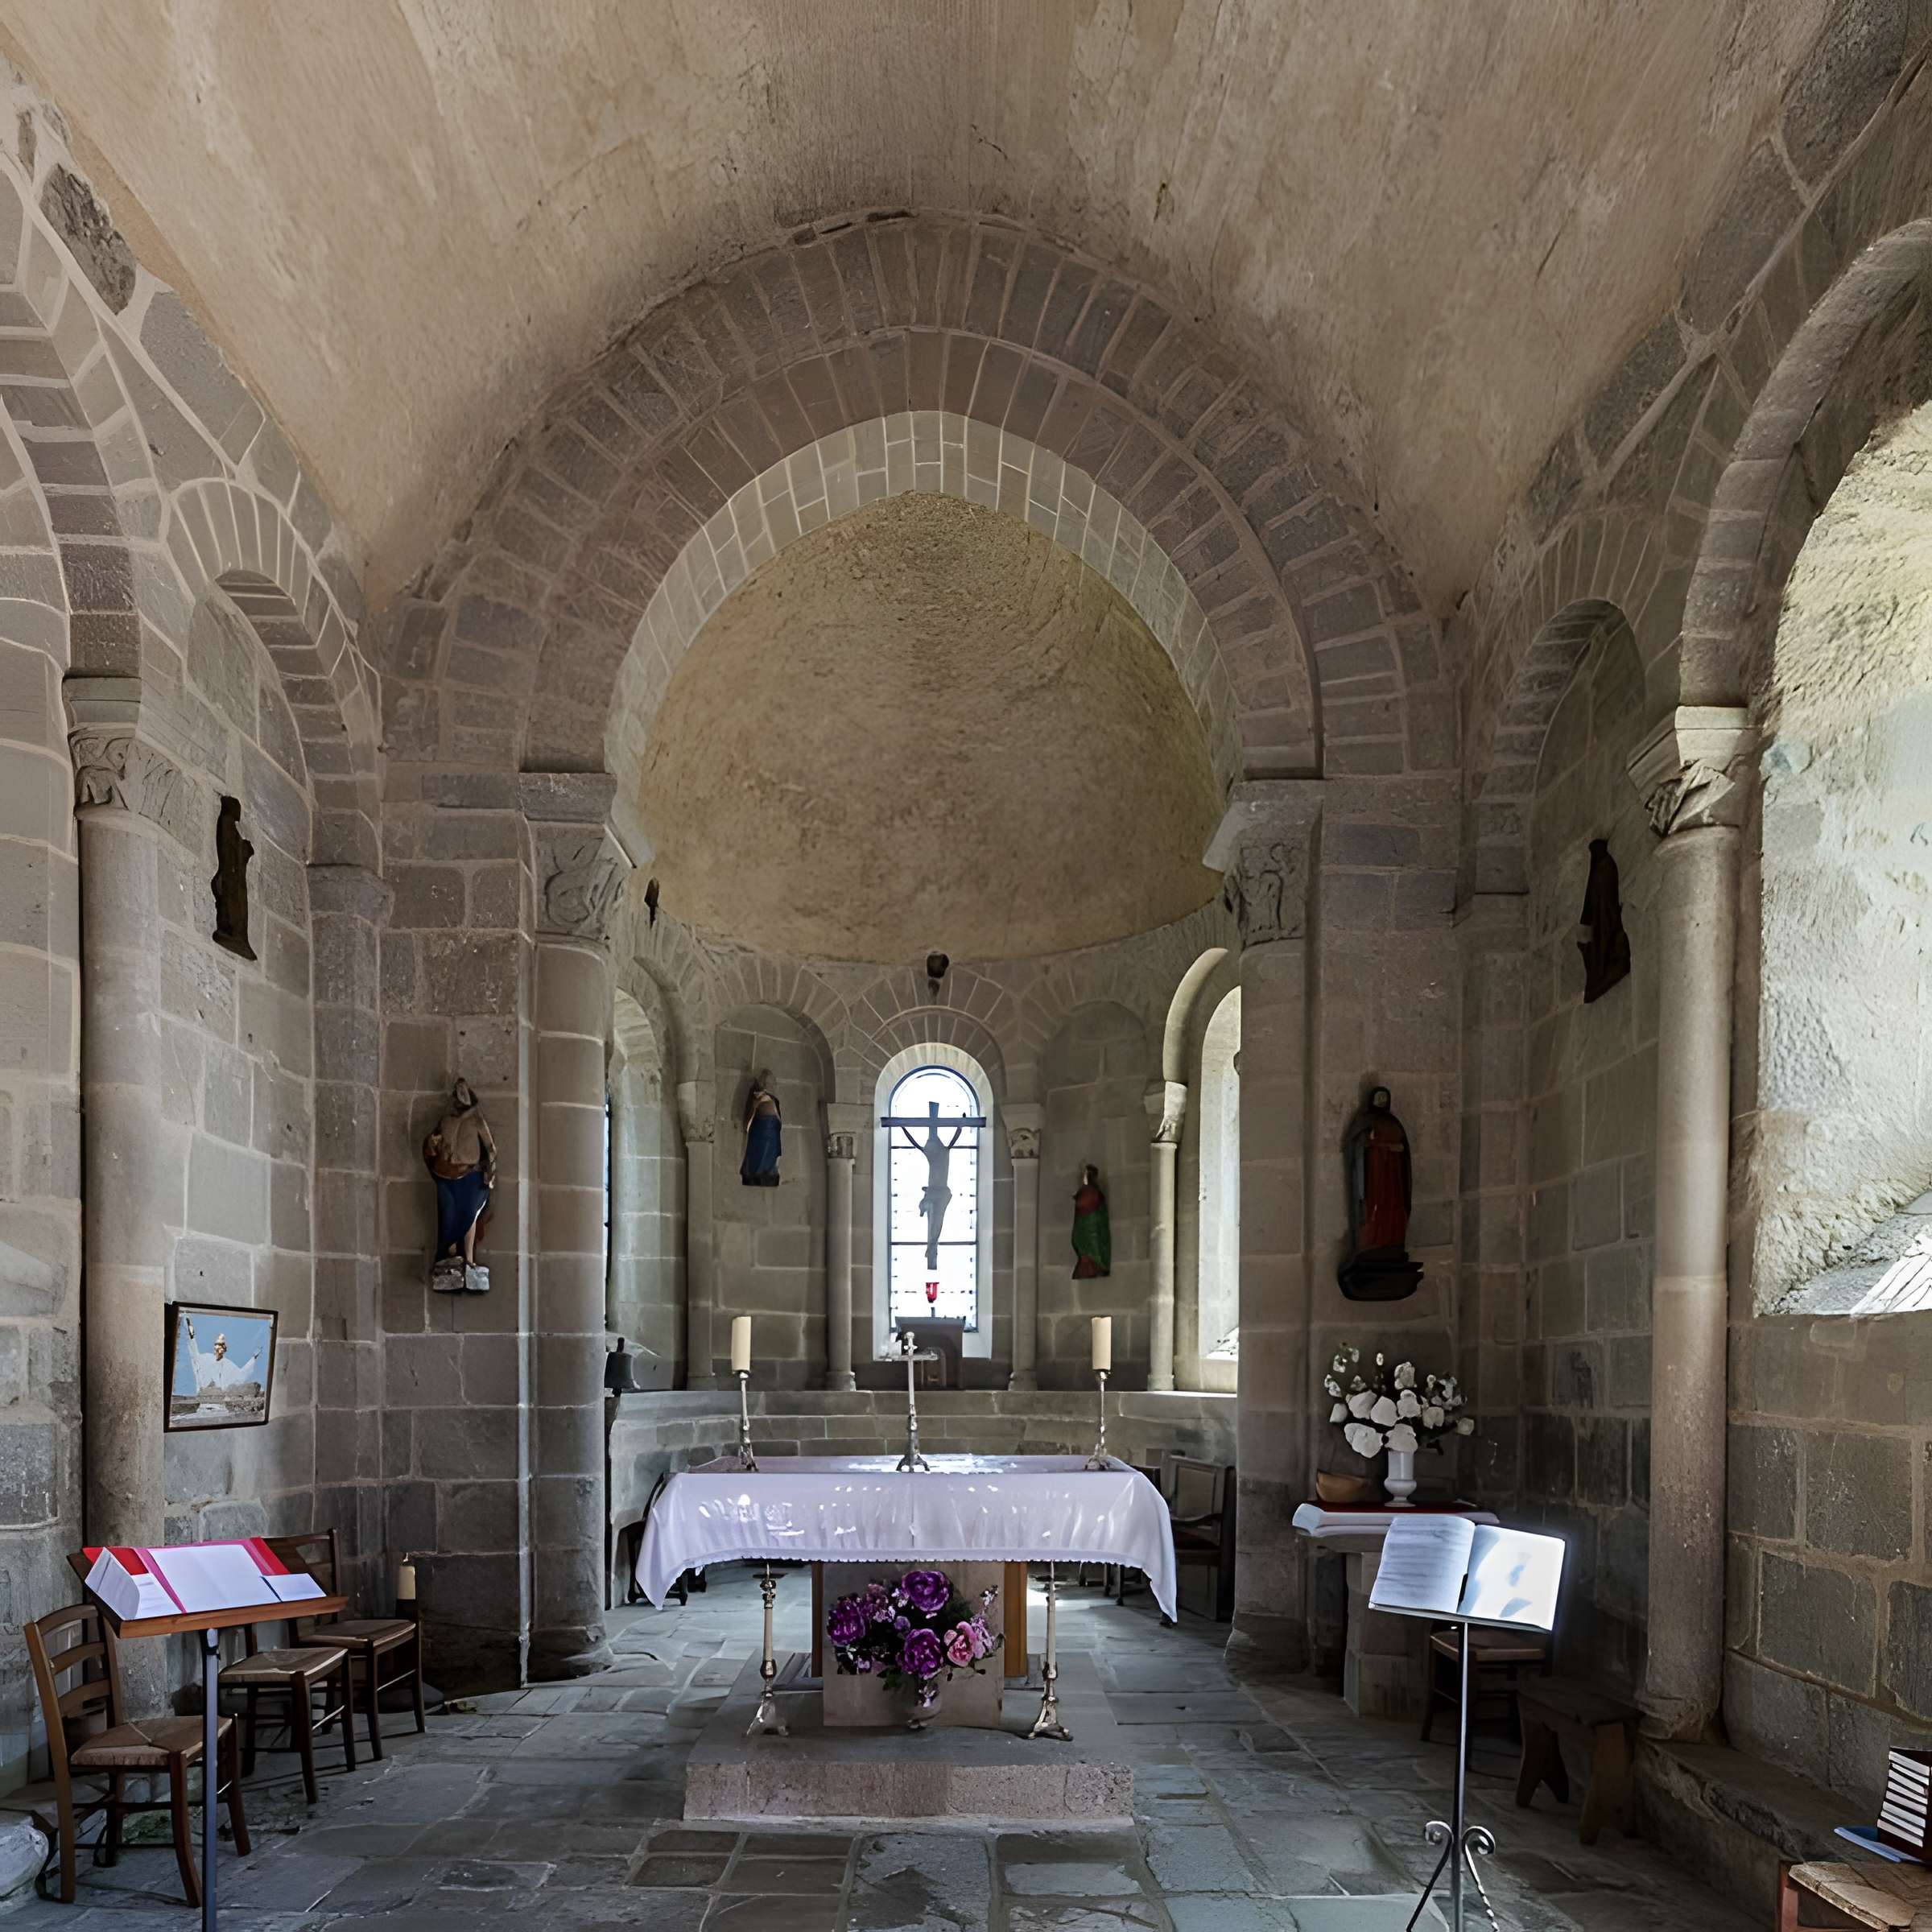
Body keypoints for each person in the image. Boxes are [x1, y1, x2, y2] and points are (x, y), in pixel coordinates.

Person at [423, 1077, 497, 1265]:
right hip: (445, 1173)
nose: (456, 1101)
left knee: (469, 1214)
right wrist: (432, 1144)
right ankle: (450, 1255)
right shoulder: (446, 1121)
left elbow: (490, 1148)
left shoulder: (477, 1120)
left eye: (460, 1097)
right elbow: (433, 1146)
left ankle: (469, 1259)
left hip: (471, 1175)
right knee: (448, 1215)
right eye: (455, 1097)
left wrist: (491, 1172)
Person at [184, 1316, 260, 1392]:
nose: (220, 1347)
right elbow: (194, 1356)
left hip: (220, 1400)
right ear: (214, 1347)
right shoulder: (206, 1359)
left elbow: (241, 1377)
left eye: (222, 1345)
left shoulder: (229, 1365)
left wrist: (254, 1359)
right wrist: (191, 1337)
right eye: (218, 1344)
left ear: (225, 1349)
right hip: (205, 1399)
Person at [741, 1070, 782, 1186]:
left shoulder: (772, 1101)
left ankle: (767, 1173)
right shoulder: (758, 1100)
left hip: (770, 1131)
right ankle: (757, 1174)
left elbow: (777, 1121)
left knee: (768, 1154)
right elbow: (750, 1121)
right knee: (758, 1154)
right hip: (759, 1131)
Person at [1071, 1164, 1111, 1278]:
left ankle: (1096, 1268)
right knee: (1085, 1249)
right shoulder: (1086, 1192)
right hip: (1084, 1226)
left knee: (1092, 1249)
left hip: (1092, 1226)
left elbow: (1087, 1203)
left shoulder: (1091, 1192)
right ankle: (1091, 1268)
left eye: (1085, 1175)